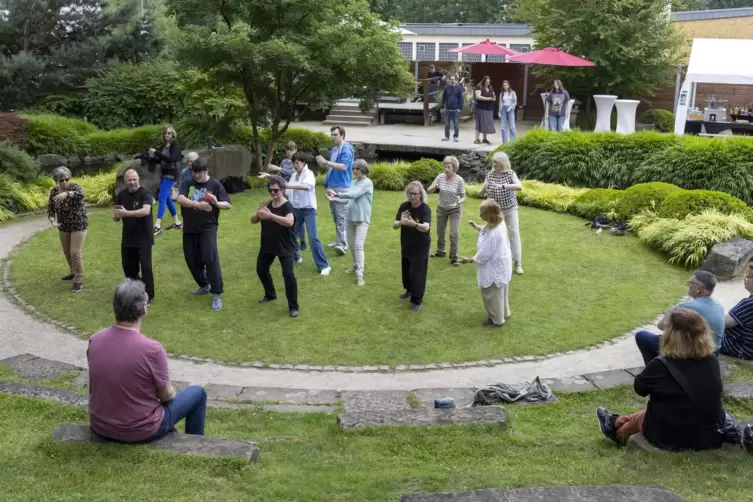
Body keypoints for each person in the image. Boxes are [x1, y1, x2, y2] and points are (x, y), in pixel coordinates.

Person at [87, 279, 207, 443]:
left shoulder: (95, 339)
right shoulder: (152, 349)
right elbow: (166, 396)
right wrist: (172, 391)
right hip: (139, 430)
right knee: (197, 393)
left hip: (100, 425)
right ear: (144, 309)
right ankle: (196, 445)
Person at [596, 308, 726, 451]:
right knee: (655, 412)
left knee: (645, 418)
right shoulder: (712, 360)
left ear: (671, 335)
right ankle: (616, 421)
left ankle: (616, 432)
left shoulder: (661, 365)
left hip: (671, 436)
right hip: (708, 433)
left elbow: (640, 389)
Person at [176, 158, 232, 311]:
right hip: (189, 228)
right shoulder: (188, 183)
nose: (197, 176)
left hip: (208, 227)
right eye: (195, 172)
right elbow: (180, 198)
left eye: (200, 172)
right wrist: (196, 204)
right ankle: (204, 285)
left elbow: (228, 204)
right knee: (191, 259)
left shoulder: (214, 184)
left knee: (210, 257)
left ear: (206, 171)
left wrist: (216, 202)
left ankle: (216, 294)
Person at [635, 271, 725, 365]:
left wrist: (672, 310)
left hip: (694, 354)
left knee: (642, 336)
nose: (688, 285)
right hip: (712, 353)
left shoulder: (687, 306)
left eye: (690, 283)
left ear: (698, 288)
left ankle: (654, 369)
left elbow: (661, 326)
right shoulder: (718, 305)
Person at [252, 175, 299, 318]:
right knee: (261, 269)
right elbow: (253, 220)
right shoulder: (267, 205)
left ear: (283, 190)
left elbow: (289, 222)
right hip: (268, 245)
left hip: (285, 245)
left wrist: (271, 216)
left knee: (288, 275)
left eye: (276, 190)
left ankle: (293, 307)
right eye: (270, 190)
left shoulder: (287, 206)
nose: (273, 193)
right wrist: (259, 213)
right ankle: (270, 294)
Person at [461, 199, 513, 327]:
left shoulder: (494, 233)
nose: (480, 215)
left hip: (494, 267)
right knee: (501, 292)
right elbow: (485, 229)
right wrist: (476, 226)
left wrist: (469, 260)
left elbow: (484, 254)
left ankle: (497, 319)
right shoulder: (497, 223)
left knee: (491, 295)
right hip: (502, 264)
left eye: (482, 213)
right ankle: (504, 312)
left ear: (490, 215)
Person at [327, 159, 374, 286]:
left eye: (357, 168)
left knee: (358, 246)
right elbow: (348, 200)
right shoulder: (353, 182)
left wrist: (338, 194)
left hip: (362, 219)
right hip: (350, 217)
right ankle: (355, 264)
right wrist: (335, 199)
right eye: (353, 168)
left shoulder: (367, 183)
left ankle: (360, 275)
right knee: (352, 246)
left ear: (364, 169)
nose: (354, 171)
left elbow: (353, 195)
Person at [114, 169, 155, 304]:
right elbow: (118, 214)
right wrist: (117, 216)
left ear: (138, 179)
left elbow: (146, 211)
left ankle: (148, 295)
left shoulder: (145, 193)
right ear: (125, 181)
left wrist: (126, 213)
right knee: (128, 267)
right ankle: (134, 292)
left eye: (134, 179)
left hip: (144, 237)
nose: (132, 182)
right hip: (128, 237)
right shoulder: (121, 195)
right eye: (129, 180)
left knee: (146, 266)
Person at [285, 152, 330, 276]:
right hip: (296, 210)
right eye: (294, 163)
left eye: (298, 162)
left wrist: (289, 185)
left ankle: (324, 265)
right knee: (292, 235)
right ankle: (296, 257)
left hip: (309, 209)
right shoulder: (294, 175)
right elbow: (289, 191)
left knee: (313, 237)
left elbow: (306, 186)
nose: (295, 165)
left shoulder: (309, 174)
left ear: (304, 163)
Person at [479, 151, 524, 275]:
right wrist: (483, 189)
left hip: (510, 208)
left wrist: (503, 186)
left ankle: (518, 263)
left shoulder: (510, 174)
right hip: (496, 211)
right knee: (491, 234)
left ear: (503, 163)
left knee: (514, 233)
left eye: (496, 162)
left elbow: (519, 186)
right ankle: (490, 259)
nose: (494, 164)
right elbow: (480, 194)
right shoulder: (490, 175)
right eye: (493, 162)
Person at [47, 166, 87, 292]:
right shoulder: (53, 192)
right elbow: (50, 210)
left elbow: (81, 195)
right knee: (67, 252)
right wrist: (53, 221)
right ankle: (73, 272)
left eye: (66, 179)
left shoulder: (75, 188)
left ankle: (78, 280)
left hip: (78, 224)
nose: (64, 182)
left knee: (75, 252)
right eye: (61, 180)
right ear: (56, 181)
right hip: (64, 226)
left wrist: (67, 193)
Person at [393, 181, 432, 312]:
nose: (413, 196)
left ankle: (417, 300)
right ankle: (409, 290)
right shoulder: (404, 206)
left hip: (421, 246)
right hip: (407, 243)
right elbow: (394, 224)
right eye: (411, 193)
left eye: (415, 194)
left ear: (420, 194)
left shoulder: (425, 209)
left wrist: (414, 224)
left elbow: (426, 227)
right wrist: (401, 222)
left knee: (417, 273)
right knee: (406, 269)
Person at [316, 125, 354, 256]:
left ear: (342, 135)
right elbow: (331, 167)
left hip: (342, 187)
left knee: (341, 216)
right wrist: (323, 163)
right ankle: (339, 240)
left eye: (335, 135)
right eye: (331, 135)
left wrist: (326, 162)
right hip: (332, 186)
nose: (332, 137)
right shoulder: (333, 150)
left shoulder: (346, 149)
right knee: (335, 216)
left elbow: (343, 166)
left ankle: (342, 245)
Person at [262, 142, 306, 250]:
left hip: (294, 191)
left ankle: (302, 240)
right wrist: (269, 176)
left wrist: (278, 168)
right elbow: (279, 177)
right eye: (287, 149)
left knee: (296, 217)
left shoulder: (296, 162)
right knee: (285, 214)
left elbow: (292, 174)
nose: (289, 152)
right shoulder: (284, 162)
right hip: (283, 191)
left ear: (296, 149)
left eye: (291, 149)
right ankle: (286, 237)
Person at [427, 156, 466, 266]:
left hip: (455, 209)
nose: (446, 169)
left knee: (454, 233)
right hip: (441, 208)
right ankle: (441, 251)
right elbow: (428, 190)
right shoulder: (440, 177)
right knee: (440, 232)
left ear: (454, 168)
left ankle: (454, 257)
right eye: (445, 166)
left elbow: (464, 196)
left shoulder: (459, 180)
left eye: (448, 167)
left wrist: (458, 202)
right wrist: (434, 187)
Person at [151, 125, 183, 235]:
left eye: (169, 133)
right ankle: (178, 222)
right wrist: (147, 155)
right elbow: (158, 159)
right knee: (167, 199)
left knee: (162, 197)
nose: (167, 135)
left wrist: (157, 153)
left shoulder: (175, 146)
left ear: (173, 134)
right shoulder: (163, 146)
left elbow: (171, 159)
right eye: (165, 133)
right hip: (164, 174)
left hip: (172, 174)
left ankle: (157, 225)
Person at [720, 263, 753, 360]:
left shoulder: (749, 303)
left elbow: (724, 323)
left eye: (747, 276)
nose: (744, 279)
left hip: (741, 348)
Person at [441, 75, 464, 143]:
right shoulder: (446, 88)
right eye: (451, 79)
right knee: (447, 125)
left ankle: (456, 137)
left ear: (455, 80)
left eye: (453, 79)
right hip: (448, 109)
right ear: (449, 80)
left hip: (456, 110)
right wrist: (442, 107)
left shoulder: (459, 88)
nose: (452, 80)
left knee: (456, 125)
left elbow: (461, 99)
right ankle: (447, 136)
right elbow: (443, 98)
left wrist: (460, 108)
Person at [474, 76, 496, 145]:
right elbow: (478, 96)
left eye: (489, 82)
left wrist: (494, 98)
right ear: (484, 81)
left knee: (486, 124)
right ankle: (476, 139)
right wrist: (488, 99)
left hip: (489, 108)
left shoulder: (490, 87)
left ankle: (484, 139)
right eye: (486, 82)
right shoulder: (479, 86)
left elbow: (494, 96)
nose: (487, 83)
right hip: (481, 108)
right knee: (480, 123)